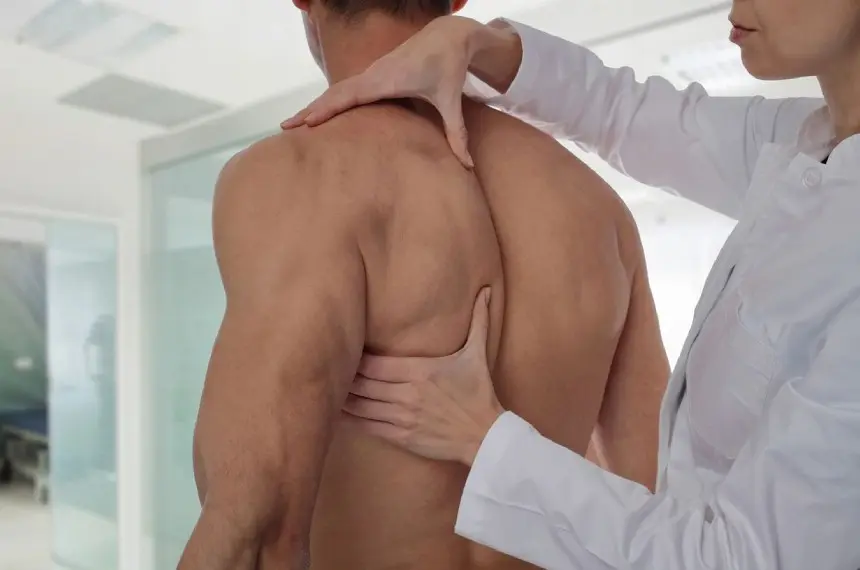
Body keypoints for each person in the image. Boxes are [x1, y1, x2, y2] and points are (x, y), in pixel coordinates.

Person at [282, 1, 860, 569]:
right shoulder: (804, 144)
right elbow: (626, 112)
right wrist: (475, 44)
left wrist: (483, 440)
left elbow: (739, 561)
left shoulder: (285, 184)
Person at [179, 0, 670, 569]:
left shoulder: (301, 177)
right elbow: (658, 502)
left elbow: (256, 529)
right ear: (457, 1)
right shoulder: (598, 211)